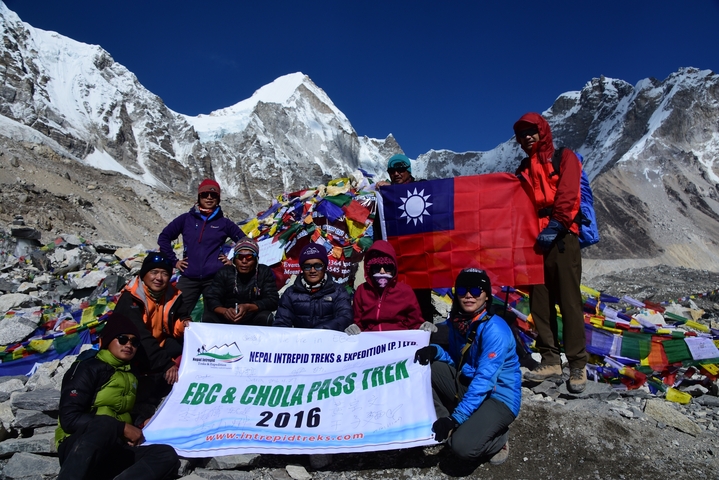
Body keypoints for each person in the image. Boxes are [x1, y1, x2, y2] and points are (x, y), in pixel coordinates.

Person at [414, 268, 521, 465]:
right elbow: (458, 359)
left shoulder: (495, 330)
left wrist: (456, 419)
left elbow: (485, 380)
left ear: (486, 296)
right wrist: (435, 352)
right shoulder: (459, 321)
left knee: (461, 447)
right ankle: (444, 422)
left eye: (476, 290)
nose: (469, 295)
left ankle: (498, 438)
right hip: (470, 383)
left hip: (499, 396)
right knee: (426, 368)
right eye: (463, 289)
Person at [513, 112, 588, 393]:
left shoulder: (564, 157)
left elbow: (569, 193)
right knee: (539, 302)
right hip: (534, 241)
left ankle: (577, 364)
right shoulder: (522, 168)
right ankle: (550, 359)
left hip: (563, 236)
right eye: (522, 134)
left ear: (543, 131)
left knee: (569, 300)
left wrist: (557, 223)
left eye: (532, 131)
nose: (528, 137)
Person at [55, 313, 179, 480]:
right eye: (122, 339)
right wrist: (120, 428)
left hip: (113, 448)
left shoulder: (132, 375)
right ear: (107, 340)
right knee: (104, 424)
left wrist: (140, 423)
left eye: (134, 342)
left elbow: (122, 411)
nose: (129, 345)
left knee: (166, 454)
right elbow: (69, 419)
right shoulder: (88, 368)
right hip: (80, 448)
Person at [158, 178, 245, 318]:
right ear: (199, 197)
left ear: (218, 199)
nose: (209, 198)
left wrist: (233, 260)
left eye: (213, 195)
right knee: (176, 313)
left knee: (213, 316)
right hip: (188, 276)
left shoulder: (224, 223)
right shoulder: (186, 219)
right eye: (205, 194)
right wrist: (174, 261)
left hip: (215, 278)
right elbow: (164, 237)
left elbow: (245, 242)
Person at [113, 252, 186, 404]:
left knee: (185, 350)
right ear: (143, 274)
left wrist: (185, 323)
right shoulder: (130, 299)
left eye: (165, 273)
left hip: (156, 344)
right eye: (154, 272)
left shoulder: (172, 295)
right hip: (132, 347)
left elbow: (180, 317)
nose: (159, 278)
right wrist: (166, 364)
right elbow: (141, 336)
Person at [374, 154, 437, 325]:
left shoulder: (422, 187)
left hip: (420, 260)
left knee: (421, 302)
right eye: (392, 171)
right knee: (396, 301)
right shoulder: (385, 198)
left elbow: (436, 193)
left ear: (408, 170)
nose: (396, 174)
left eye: (401, 169)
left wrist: (393, 191)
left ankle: (424, 342)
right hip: (396, 260)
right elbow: (378, 229)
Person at [345, 240, 432, 334]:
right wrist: (354, 327)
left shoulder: (405, 291)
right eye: (377, 268)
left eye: (387, 268)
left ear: (394, 270)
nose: (382, 272)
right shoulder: (362, 290)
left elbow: (415, 323)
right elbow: (358, 323)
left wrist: (423, 326)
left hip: (398, 341)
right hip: (371, 341)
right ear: (369, 270)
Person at [273, 242, 353, 331]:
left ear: (325, 267)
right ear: (302, 268)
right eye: (307, 266)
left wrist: (318, 332)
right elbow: (281, 323)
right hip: (300, 341)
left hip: (329, 340)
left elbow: (345, 318)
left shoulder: (338, 291)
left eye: (318, 266)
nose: (312, 270)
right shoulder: (291, 293)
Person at [203, 237, 280, 325]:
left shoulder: (263, 272)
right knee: (208, 316)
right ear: (234, 259)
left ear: (256, 260)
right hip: (227, 316)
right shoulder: (224, 272)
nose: (244, 261)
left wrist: (248, 307)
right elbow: (211, 297)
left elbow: (272, 300)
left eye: (249, 257)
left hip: (252, 316)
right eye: (240, 257)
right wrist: (224, 311)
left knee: (265, 316)